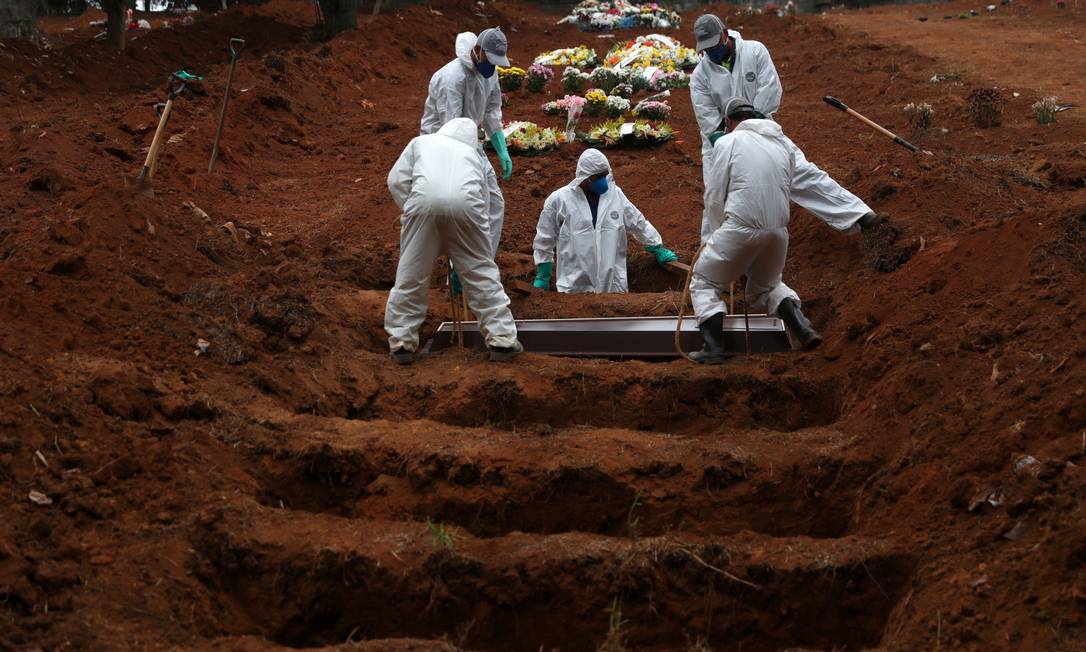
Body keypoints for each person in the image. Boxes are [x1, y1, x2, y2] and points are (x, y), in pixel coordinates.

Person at [690, 13, 884, 243]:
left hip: (763, 129)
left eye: (714, 46)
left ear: (725, 33)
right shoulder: (700, 77)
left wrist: (751, 128)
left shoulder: (755, 51)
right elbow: (710, 124)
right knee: (717, 197)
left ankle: (860, 216)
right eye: (707, 50)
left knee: (800, 171)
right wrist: (733, 143)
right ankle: (711, 256)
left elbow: (770, 92)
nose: (712, 53)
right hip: (723, 143)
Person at [689, 98, 822, 364]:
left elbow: (714, 197)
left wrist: (716, 236)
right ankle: (804, 329)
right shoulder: (781, 143)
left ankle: (714, 348)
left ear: (728, 122)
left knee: (704, 282)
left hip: (741, 226)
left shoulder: (727, 142)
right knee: (768, 286)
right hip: (778, 232)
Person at [385, 118, 523, 364]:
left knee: (411, 274)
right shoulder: (473, 156)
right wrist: (477, 249)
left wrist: (411, 209)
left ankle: (401, 344)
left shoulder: (421, 142)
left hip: (422, 204)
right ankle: (502, 340)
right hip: (468, 210)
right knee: (482, 274)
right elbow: (485, 200)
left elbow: (396, 180)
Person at [420, 28, 513, 264]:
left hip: (472, 142)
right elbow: (451, 126)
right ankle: (460, 266)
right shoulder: (452, 78)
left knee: (494, 203)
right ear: (478, 50)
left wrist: (501, 146)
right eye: (490, 60)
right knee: (467, 206)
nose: (492, 67)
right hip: (444, 146)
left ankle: (481, 265)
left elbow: (491, 109)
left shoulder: (489, 73)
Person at [532, 149, 679, 293]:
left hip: (612, 286)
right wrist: (543, 272)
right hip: (574, 288)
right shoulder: (559, 200)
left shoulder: (615, 195)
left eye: (605, 175)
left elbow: (638, 222)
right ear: (585, 177)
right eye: (599, 177)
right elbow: (545, 237)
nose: (604, 181)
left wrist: (656, 246)